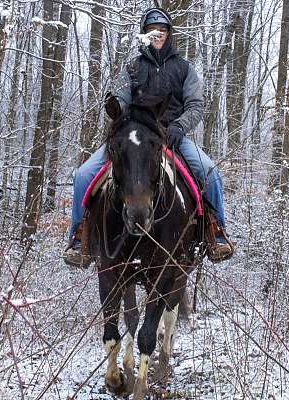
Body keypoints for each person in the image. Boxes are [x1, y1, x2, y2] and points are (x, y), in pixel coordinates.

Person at [63, 7, 233, 266]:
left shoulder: (184, 68)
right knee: (84, 175)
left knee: (209, 172)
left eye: (162, 30)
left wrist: (179, 126)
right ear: (145, 34)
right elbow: (121, 96)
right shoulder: (132, 67)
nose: (158, 35)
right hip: (134, 137)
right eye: (152, 30)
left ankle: (216, 233)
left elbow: (196, 105)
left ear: (169, 34)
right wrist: (116, 106)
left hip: (172, 135)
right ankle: (79, 238)